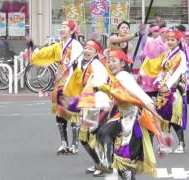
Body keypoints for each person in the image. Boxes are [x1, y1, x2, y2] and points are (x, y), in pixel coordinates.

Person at [96, 50, 160, 180]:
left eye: (114, 61)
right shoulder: (117, 77)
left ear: (122, 64)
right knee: (104, 133)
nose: (110, 64)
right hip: (124, 118)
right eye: (108, 61)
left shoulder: (123, 75)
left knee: (124, 164)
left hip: (132, 122)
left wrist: (149, 103)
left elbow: (137, 92)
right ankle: (107, 162)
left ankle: (107, 163)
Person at [31, 20, 84, 154]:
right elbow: (46, 52)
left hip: (71, 84)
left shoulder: (76, 45)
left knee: (73, 114)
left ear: (71, 31)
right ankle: (64, 144)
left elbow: (75, 67)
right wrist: (35, 51)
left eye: (65, 27)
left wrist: (68, 85)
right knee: (60, 114)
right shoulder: (59, 46)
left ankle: (74, 145)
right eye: (61, 27)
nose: (62, 29)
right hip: (60, 84)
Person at [75, 39, 111, 177]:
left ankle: (102, 164)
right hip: (88, 104)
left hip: (96, 105)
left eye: (91, 49)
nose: (86, 51)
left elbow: (99, 85)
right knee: (90, 137)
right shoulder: (84, 64)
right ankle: (99, 163)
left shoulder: (97, 66)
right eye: (85, 48)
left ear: (96, 53)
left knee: (86, 137)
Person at [153, 30, 188, 153]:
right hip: (163, 90)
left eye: (173, 40)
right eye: (168, 40)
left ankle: (181, 144)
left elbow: (178, 72)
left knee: (174, 117)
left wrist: (167, 85)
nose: (170, 42)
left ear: (178, 41)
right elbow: (162, 71)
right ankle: (165, 144)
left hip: (173, 90)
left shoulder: (181, 55)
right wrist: (157, 81)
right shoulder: (167, 53)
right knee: (162, 117)